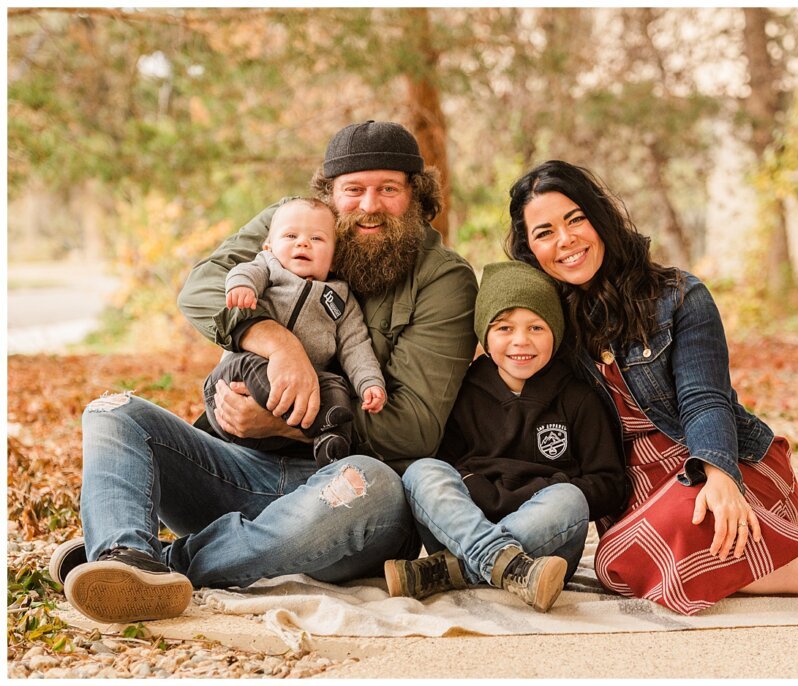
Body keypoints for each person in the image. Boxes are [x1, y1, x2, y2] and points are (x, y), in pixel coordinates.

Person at [55, 121, 478, 625]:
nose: (368, 206)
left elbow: (415, 427)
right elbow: (201, 290)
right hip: (236, 465)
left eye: (388, 189)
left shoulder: (445, 280)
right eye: (353, 190)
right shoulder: (296, 222)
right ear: (329, 195)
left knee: (375, 486)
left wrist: (284, 422)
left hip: (340, 493)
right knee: (114, 412)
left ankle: (161, 567)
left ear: (415, 196)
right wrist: (280, 346)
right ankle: (123, 555)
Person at [503, 159, 798, 617]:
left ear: (599, 219)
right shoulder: (548, 327)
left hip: (728, 464)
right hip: (637, 493)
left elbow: (706, 398)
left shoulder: (678, 296)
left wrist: (718, 476)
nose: (566, 240)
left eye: (575, 219)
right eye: (544, 232)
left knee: (676, 523)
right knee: (617, 562)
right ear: (531, 251)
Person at [383, 262, 628, 612]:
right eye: (504, 328)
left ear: (555, 331)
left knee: (569, 499)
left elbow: (609, 483)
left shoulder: (578, 398)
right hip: (463, 527)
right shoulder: (464, 390)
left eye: (536, 327)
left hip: (545, 540)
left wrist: (549, 486)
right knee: (422, 471)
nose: (520, 341)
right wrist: (474, 487)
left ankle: (450, 571)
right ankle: (504, 565)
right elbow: (446, 465)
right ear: (484, 334)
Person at [203, 196, 386, 469]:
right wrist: (241, 287)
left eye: (317, 238)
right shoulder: (268, 267)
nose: (303, 243)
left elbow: (355, 345)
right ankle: (305, 415)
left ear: (334, 258)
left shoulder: (341, 298)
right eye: (290, 235)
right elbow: (245, 271)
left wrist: (370, 382)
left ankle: (331, 442)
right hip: (232, 389)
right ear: (269, 246)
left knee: (335, 386)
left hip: (298, 397)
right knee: (250, 363)